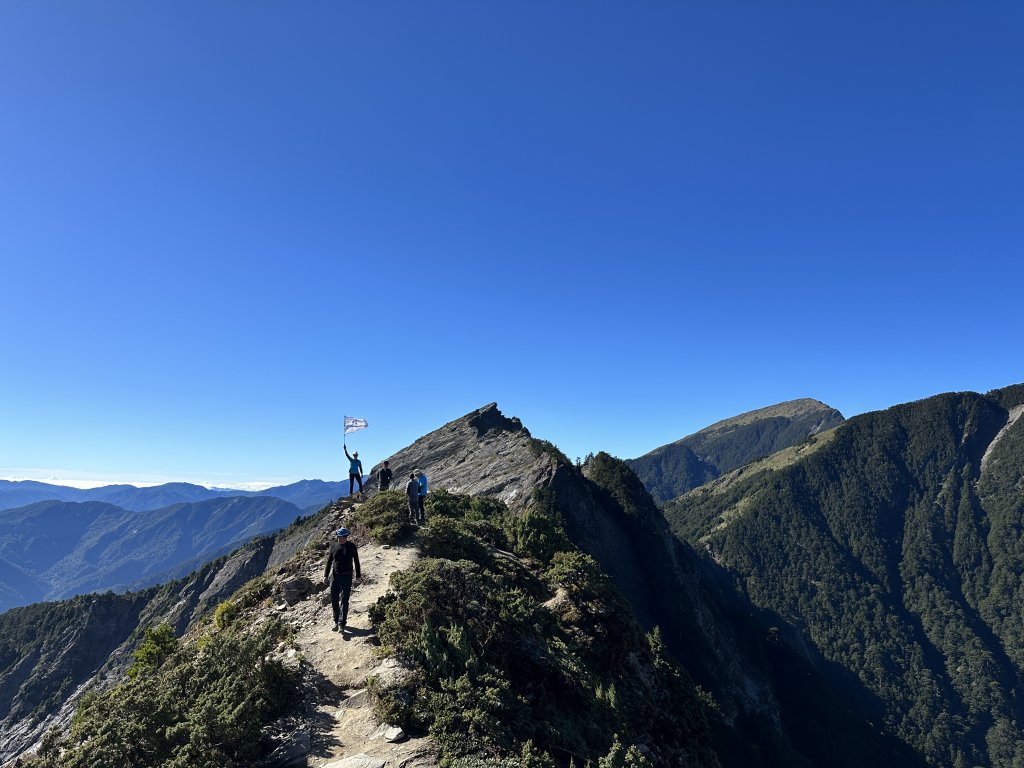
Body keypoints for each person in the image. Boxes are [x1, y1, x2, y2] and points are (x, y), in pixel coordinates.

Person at [324, 527, 361, 631]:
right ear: (337, 537)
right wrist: (325, 576)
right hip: (334, 576)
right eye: (339, 537)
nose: (341, 539)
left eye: (343, 537)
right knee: (334, 599)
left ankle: (341, 623)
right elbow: (329, 561)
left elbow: (356, 561)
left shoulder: (352, 546)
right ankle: (336, 621)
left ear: (346, 537)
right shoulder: (333, 546)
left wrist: (358, 575)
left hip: (347, 576)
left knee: (344, 600)